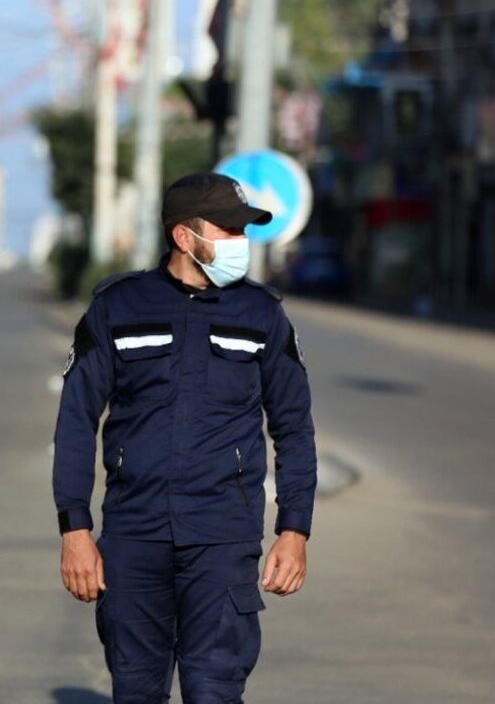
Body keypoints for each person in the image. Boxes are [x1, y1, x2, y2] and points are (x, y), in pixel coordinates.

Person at [52, 172, 316, 703]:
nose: (240, 244)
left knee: (214, 690)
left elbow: (293, 427)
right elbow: (77, 419)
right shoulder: (118, 307)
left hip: (223, 536)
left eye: (244, 232)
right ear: (183, 237)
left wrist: (294, 531)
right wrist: (74, 530)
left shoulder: (262, 315)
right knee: (135, 690)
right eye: (228, 230)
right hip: (134, 534)